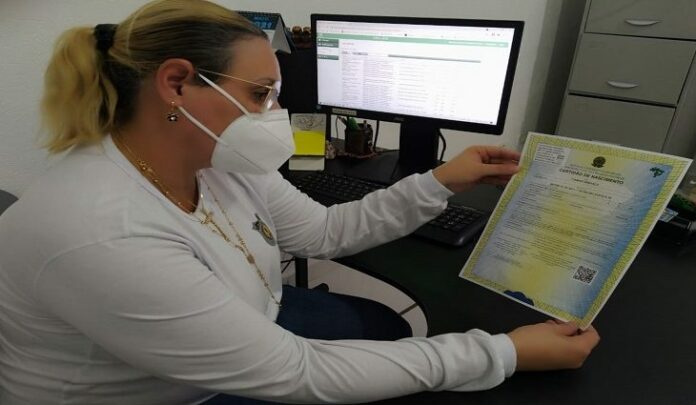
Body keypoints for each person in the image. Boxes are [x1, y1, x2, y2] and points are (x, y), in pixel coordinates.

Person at [0, 1, 600, 404]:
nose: (276, 113)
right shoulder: (101, 231)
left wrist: (442, 180)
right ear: (177, 83)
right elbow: (298, 371)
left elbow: (323, 232)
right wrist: (504, 353)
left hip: (249, 320)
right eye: (262, 93)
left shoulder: (217, 160)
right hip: (165, 392)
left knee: (391, 328)